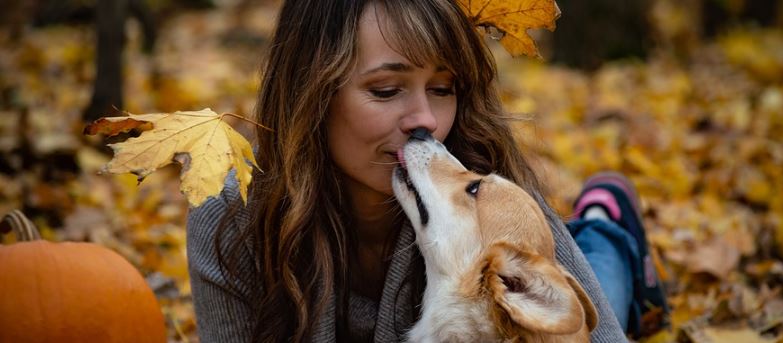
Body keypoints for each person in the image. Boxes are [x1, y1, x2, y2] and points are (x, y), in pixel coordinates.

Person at [186, 0, 665, 342]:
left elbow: (587, 331)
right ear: (312, 96)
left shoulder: (476, 189)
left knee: (597, 300)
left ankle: (606, 233)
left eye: (442, 88)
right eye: (387, 90)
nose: (427, 123)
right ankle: (600, 231)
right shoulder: (233, 214)